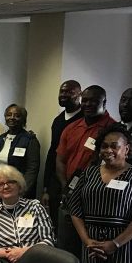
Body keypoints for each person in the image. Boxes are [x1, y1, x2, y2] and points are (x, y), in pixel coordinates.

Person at [69, 124, 132, 263]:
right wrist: (87, 240)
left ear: (126, 149)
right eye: (104, 146)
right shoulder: (89, 173)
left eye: (114, 146)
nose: (108, 150)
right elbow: (75, 210)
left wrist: (115, 243)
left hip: (123, 245)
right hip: (91, 245)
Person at [56, 85, 116, 256]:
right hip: (70, 195)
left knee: (91, 249)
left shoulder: (112, 130)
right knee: (66, 248)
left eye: (94, 101)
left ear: (104, 102)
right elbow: (60, 160)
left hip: (96, 199)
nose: (88, 104)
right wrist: (65, 186)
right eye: (85, 100)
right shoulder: (71, 127)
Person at [0, 165, 55, 263]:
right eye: (0, 184)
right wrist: (11, 254)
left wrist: (23, 252)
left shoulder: (35, 207)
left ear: (19, 185)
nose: (6, 186)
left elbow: (48, 240)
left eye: (10, 182)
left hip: (37, 260)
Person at [42, 80, 83, 223]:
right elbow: (52, 152)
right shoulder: (58, 120)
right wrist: (46, 187)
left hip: (77, 180)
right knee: (54, 219)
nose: (64, 95)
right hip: (56, 179)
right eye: (62, 91)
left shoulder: (85, 119)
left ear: (79, 94)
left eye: (69, 92)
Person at [0, 104, 40, 198]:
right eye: (9, 115)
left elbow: (32, 170)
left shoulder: (30, 140)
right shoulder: (1, 139)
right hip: (1, 189)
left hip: (21, 192)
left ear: (23, 119)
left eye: (17, 115)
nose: (12, 118)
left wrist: (22, 191)